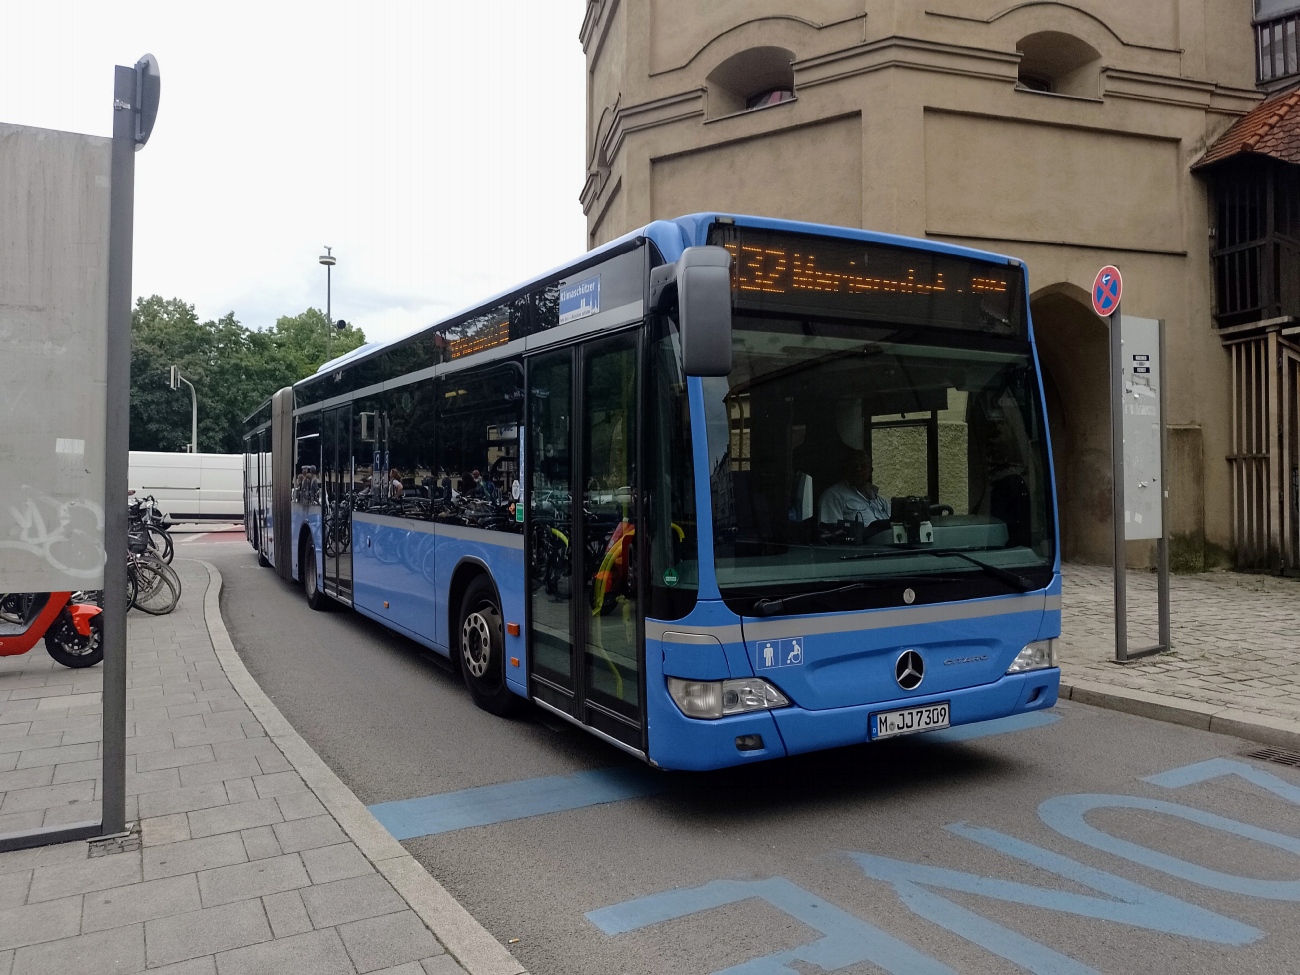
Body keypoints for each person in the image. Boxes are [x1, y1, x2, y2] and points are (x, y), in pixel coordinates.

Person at [818, 449, 891, 526]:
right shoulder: (833, 495)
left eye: (863, 466)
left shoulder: (879, 499)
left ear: (870, 471)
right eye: (853, 466)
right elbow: (830, 532)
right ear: (845, 469)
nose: (858, 469)